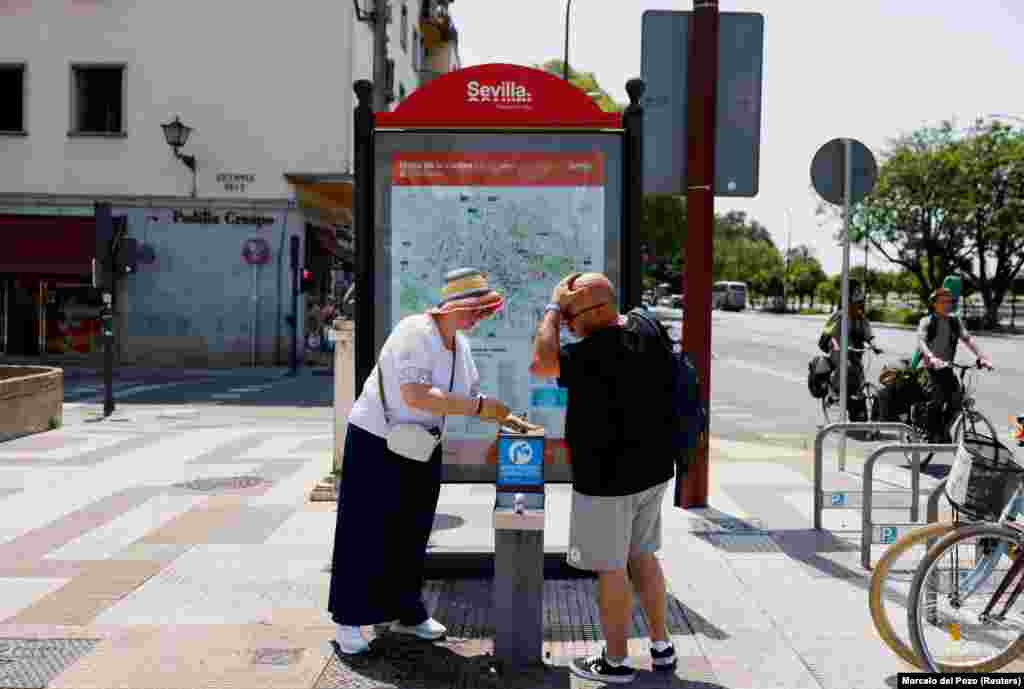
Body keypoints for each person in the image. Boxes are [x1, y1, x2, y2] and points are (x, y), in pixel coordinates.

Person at [327, 268, 525, 655]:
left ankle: (407, 609)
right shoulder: (415, 331)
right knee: (364, 529)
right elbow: (416, 395)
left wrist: (506, 419)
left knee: (413, 529)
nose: (479, 316)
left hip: (421, 445)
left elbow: (470, 396)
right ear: (451, 306)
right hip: (376, 439)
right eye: (474, 308)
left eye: (484, 309)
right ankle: (348, 618)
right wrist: (481, 408)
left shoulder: (461, 346)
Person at [530, 272, 678, 684]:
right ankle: (661, 646)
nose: (567, 324)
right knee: (643, 556)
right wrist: (567, 308)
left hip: (607, 480)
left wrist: (551, 310)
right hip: (653, 471)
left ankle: (615, 662)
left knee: (612, 570)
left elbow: (541, 363)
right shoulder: (645, 326)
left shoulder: (591, 354)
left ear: (594, 312)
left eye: (570, 315)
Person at [916, 287, 993, 446]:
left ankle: (943, 430)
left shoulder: (954, 321)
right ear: (934, 304)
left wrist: (982, 357)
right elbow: (922, 342)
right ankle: (930, 432)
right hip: (930, 369)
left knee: (957, 402)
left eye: (949, 302)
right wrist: (932, 357)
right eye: (942, 302)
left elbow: (968, 339)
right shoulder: (927, 321)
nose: (947, 305)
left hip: (947, 368)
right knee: (936, 400)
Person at [819, 285, 881, 421]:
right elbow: (831, 335)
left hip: (855, 353)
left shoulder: (861, 318)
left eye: (860, 303)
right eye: (855, 303)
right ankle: (833, 393)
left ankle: (856, 406)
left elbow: (869, 334)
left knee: (859, 375)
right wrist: (840, 347)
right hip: (837, 350)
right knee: (845, 366)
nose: (858, 306)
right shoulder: (839, 316)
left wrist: (874, 346)